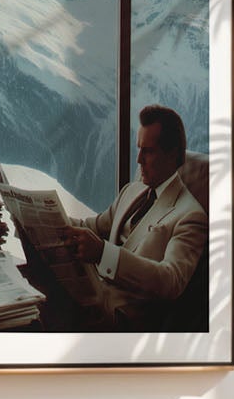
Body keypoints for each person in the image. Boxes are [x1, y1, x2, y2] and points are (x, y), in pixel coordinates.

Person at [64, 104, 207, 328]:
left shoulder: (191, 215)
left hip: (124, 320)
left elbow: (171, 280)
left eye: (148, 151)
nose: (139, 159)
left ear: (172, 154)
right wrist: (48, 219)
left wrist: (103, 253)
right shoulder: (131, 191)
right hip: (91, 299)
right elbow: (92, 226)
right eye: (138, 148)